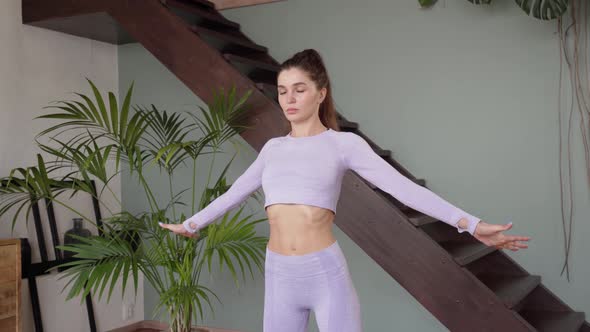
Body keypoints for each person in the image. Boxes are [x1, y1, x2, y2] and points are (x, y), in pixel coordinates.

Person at [159, 49, 530, 332]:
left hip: (323, 274)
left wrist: (471, 224)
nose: (288, 98)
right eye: (283, 91)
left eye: (299, 90)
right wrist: (191, 224)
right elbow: (236, 192)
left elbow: (403, 190)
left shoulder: (343, 145)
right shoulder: (273, 149)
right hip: (278, 275)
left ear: (320, 94)